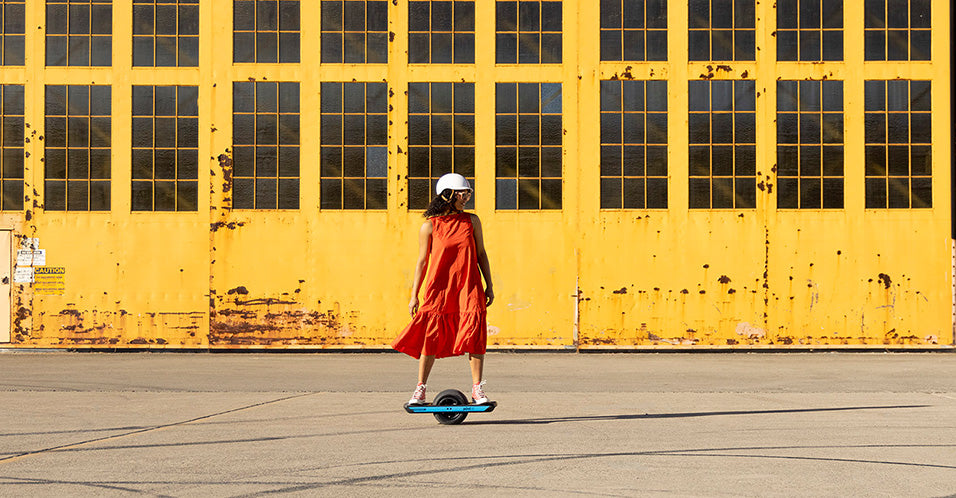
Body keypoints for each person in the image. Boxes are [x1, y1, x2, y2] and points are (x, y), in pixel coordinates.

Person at [392, 173, 495, 405]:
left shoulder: (472, 221)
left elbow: (481, 254)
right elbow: (422, 262)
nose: (466, 196)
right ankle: (420, 389)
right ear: (447, 194)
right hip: (439, 289)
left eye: (467, 192)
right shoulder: (429, 227)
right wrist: (413, 296)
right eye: (462, 192)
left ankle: (477, 389)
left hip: (468, 286)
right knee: (431, 336)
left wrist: (489, 285)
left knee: (474, 335)